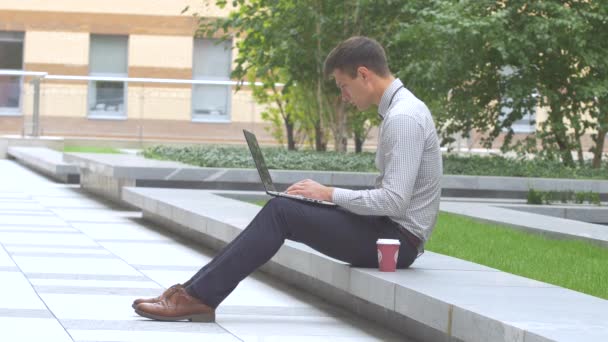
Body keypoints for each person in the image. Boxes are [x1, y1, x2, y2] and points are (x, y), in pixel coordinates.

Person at [132, 36, 442, 323]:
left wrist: (329, 194)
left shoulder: (403, 118)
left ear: (364, 74)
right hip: (386, 232)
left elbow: (395, 200)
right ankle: (194, 293)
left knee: (281, 212)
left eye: (343, 85)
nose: (343, 96)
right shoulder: (400, 111)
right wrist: (321, 198)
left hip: (396, 243)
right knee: (285, 207)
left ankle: (195, 297)